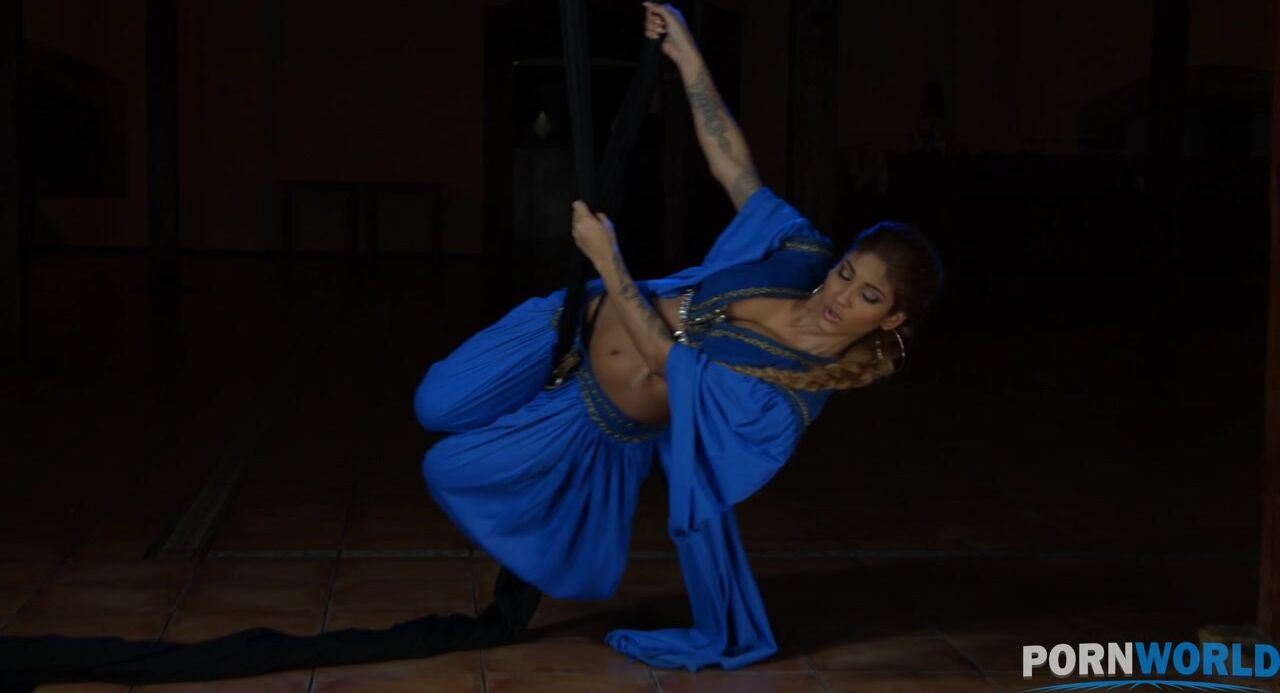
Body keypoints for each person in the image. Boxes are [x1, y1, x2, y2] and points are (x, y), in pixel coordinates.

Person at [414, 1, 945, 671]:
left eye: (868, 296)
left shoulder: (787, 396)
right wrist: (686, 55)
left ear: (891, 319)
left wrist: (608, 258)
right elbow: (732, 163)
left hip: (593, 417)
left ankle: (539, 501)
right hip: (568, 325)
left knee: (449, 469)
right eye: (847, 273)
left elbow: (668, 361)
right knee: (434, 404)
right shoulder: (800, 253)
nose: (840, 295)